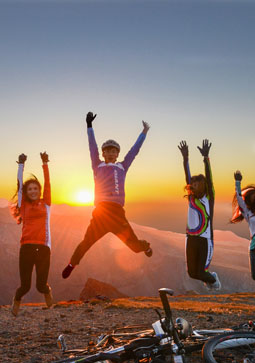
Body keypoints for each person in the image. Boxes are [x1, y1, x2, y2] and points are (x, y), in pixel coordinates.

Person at [62, 112, 152, 279]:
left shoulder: (122, 167)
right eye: (107, 151)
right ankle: (71, 264)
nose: (110, 153)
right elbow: (92, 147)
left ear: (117, 154)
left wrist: (144, 133)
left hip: (117, 214)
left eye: (114, 151)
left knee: (134, 246)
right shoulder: (97, 166)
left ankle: (145, 247)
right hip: (101, 214)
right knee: (86, 243)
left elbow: (134, 151)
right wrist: (89, 126)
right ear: (103, 154)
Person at [10, 152, 54, 316]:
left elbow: (48, 183)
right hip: (26, 248)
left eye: (36, 188)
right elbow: (19, 185)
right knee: (25, 286)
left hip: (43, 248)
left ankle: (48, 296)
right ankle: (16, 301)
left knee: (41, 286)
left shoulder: (46, 203)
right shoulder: (23, 205)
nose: (33, 191)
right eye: (30, 189)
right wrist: (21, 165)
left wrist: (45, 164)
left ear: (39, 191)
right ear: (26, 192)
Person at [178, 139, 221, 290]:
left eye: (197, 184)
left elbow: (209, 179)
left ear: (202, 185)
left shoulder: (208, 197)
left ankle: (213, 279)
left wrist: (206, 158)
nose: (193, 186)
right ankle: (210, 278)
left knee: (201, 272)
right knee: (192, 273)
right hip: (190, 238)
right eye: (193, 184)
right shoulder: (191, 198)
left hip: (205, 239)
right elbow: (187, 175)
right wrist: (185, 158)